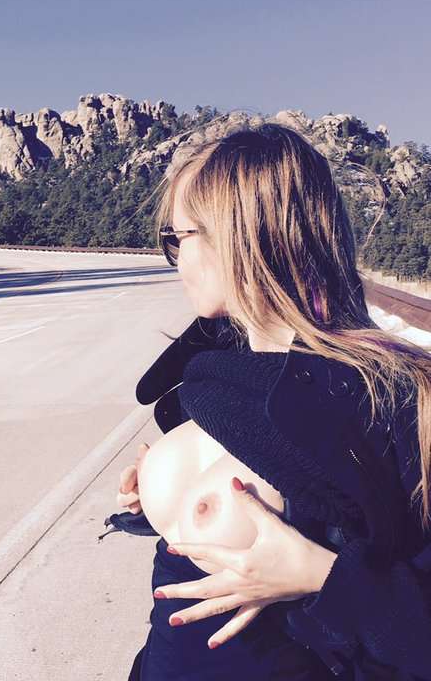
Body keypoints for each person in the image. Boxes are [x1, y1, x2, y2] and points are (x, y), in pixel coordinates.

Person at [106, 122, 431, 680]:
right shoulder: (219, 373)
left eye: (178, 238)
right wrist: (161, 491)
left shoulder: (388, 398)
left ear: (238, 238)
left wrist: (324, 577)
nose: (175, 260)